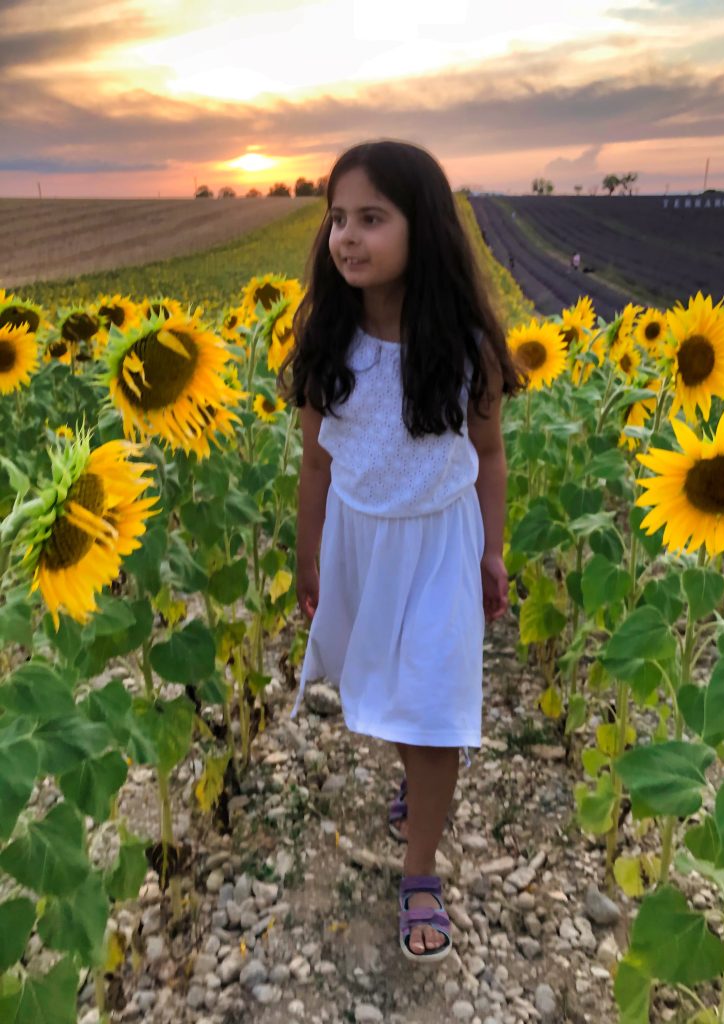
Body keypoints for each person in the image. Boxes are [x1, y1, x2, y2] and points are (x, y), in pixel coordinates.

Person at [277, 139, 523, 962]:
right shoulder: (326, 348)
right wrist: (307, 557)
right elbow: (318, 463)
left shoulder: (463, 352)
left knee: (433, 708)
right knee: (385, 688)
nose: (347, 236)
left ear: (425, 229)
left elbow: (487, 457)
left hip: (442, 546)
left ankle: (421, 872)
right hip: (359, 543)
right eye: (337, 218)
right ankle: (415, 789)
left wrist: (494, 552)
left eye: (371, 218)